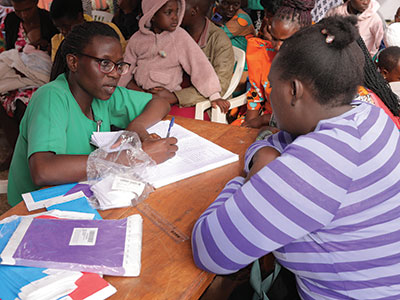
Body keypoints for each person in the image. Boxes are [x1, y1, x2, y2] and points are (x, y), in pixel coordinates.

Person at [192, 15, 400, 299]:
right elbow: (274, 140)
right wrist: (262, 155)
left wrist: (247, 182)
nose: (271, 95)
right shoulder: (368, 115)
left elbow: (210, 250)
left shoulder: (319, 163)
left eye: (272, 86)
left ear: (293, 90)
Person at [7, 21, 178, 206]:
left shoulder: (103, 95)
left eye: (119, 65)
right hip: (37, 208)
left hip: (80, 193)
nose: (114, 74)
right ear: (74, 62)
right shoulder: (51, 97)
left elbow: (160, 102)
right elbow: (43, 170)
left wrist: (136, 126)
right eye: (105, 63)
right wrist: (133, 157)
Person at [119, 0, 230, 114]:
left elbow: (199, 65)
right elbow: (126, 66)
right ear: (152, 16)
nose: (174, 17)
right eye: (168, 12)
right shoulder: (137, 39)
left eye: (177, 12)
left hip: (166, 98)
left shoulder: (179, 37)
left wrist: (214, 95)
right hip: (139, 95)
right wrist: (120, 89)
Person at [231, 0, 314, 127]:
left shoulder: (315, 61)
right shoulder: (263, 53)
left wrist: (264, 120)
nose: (277, 46)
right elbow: (255, 97)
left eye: (284, 41)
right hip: (267, 119)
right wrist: (248, 128)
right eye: (274, 38)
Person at [149, 0, 234, 119]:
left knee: (162, 120)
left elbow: (220, 85)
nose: (174, 16)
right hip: (167, 93)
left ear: (194, 11)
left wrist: (176, 97)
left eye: (178, 10)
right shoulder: (170, 33)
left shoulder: (219, 40)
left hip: (199, 103)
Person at [50, 0, 126, 61]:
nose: (63, 31)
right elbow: (59, 69)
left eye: (67, 26)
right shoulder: (57, 41)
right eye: (58, 28)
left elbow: (125, 57)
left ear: (80, 17)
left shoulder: (109, 31)